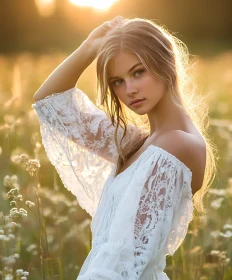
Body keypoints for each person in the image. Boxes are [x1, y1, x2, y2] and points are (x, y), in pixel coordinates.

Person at [32, 16, 216, 280]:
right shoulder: (138, 141)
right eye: (117, 81)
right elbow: (50, 105)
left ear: (167, 63)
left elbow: (124, 260)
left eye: (138, 72)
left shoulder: (176, 144)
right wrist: (88, 48)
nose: (129, 90)